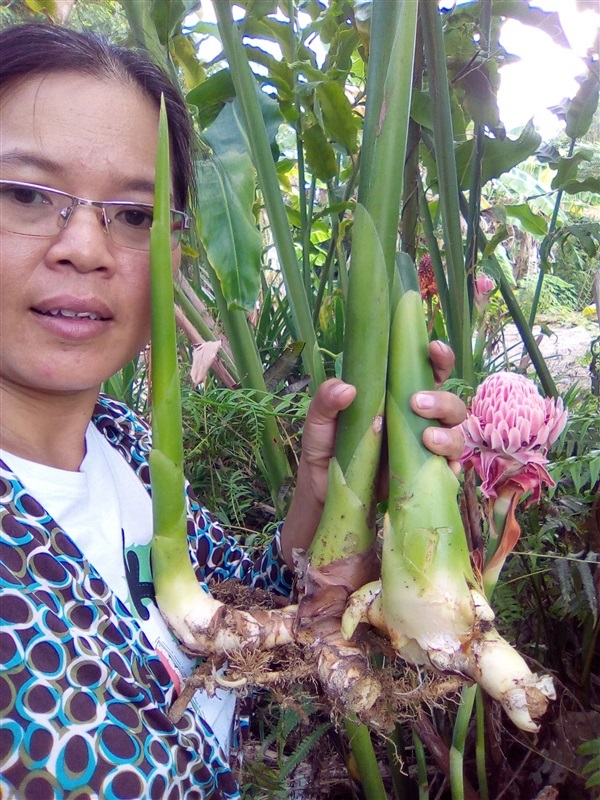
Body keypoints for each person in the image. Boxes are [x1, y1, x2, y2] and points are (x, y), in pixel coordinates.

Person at [0, 22, 467, 800]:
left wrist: (327, 491)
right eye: (23, 193)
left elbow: (237, 605)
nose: (86, 246)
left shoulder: (119, 444)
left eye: (135, 214)